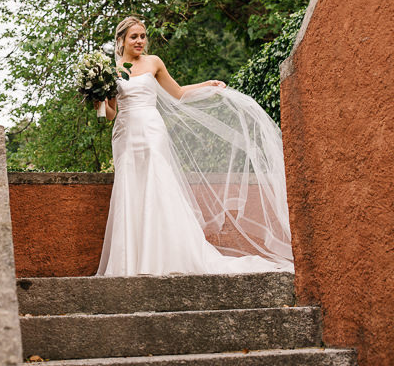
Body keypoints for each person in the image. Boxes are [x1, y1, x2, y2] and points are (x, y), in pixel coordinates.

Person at [94, 16, 294, 276]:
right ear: (121, 40)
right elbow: (110, 114)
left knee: (157, 183)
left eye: (143, 36)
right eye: (134, 37)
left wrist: (207, 86)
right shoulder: (111, 71)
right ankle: (131, 261)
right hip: (124, 133)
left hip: (152, 130)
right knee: (130, 188)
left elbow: (178, 93)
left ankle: (163, 256)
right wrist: (98, 98)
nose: (140, 41)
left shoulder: (154, 62)